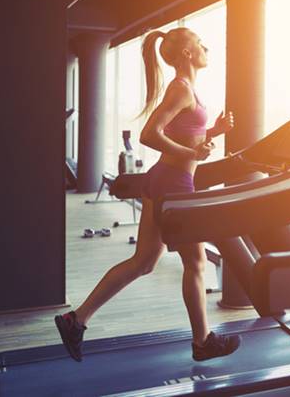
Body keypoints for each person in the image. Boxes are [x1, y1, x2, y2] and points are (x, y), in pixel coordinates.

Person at [55, 27, 240, 362]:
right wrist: (191, 155)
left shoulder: (186, 90)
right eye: (201, 43)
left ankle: (75, 320)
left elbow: (182, 134)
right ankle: (203, 342)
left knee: (143, 262)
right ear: (187, 53)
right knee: (196, 263)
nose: (206, 47)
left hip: (163, 180)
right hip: (174, 184)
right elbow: (150, 134)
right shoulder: (181, 89)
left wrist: (214, 131)